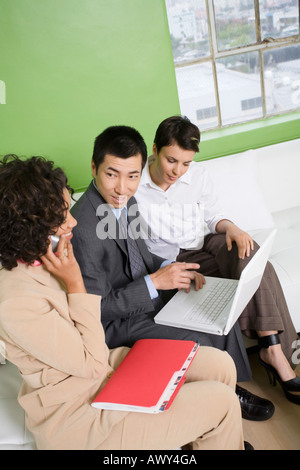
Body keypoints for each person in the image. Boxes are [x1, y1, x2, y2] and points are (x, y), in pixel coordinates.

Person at [0, 154, 250, 451]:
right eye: (61, 216)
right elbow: (91, 362)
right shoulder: (15, 301)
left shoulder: (50, 254)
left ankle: (209, 438)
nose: (73, 221)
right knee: (222, 403)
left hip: (105, 368)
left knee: (220, 364)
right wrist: (76, 281)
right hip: (78, 415)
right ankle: (217, 430)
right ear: (30, 226)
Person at [71, 125, 274, 421]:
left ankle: (230, 391)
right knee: (197, 335)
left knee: (215, 311)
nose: (122, 187)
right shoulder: (84, 229)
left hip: (146, 298)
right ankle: (220, 404)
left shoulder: (128, 203)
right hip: (119, 323)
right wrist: (154, 283)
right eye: (111, 174)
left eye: (132, 176)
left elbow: (141, 254)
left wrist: (171, 270)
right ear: (94, 167)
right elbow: (96, 309)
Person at [134, 115, 300, 406]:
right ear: (155, 149)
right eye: (172, 160)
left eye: (185, 163)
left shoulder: (197, 175)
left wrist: (232, 227)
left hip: (206, 242)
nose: (178, 171)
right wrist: (162, 269)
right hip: (173, 259)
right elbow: (135, 247)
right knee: (262, 271)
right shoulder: (134, 187)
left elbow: (213, 218)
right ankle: (277, 352)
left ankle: (271, 351)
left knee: (251, 254)